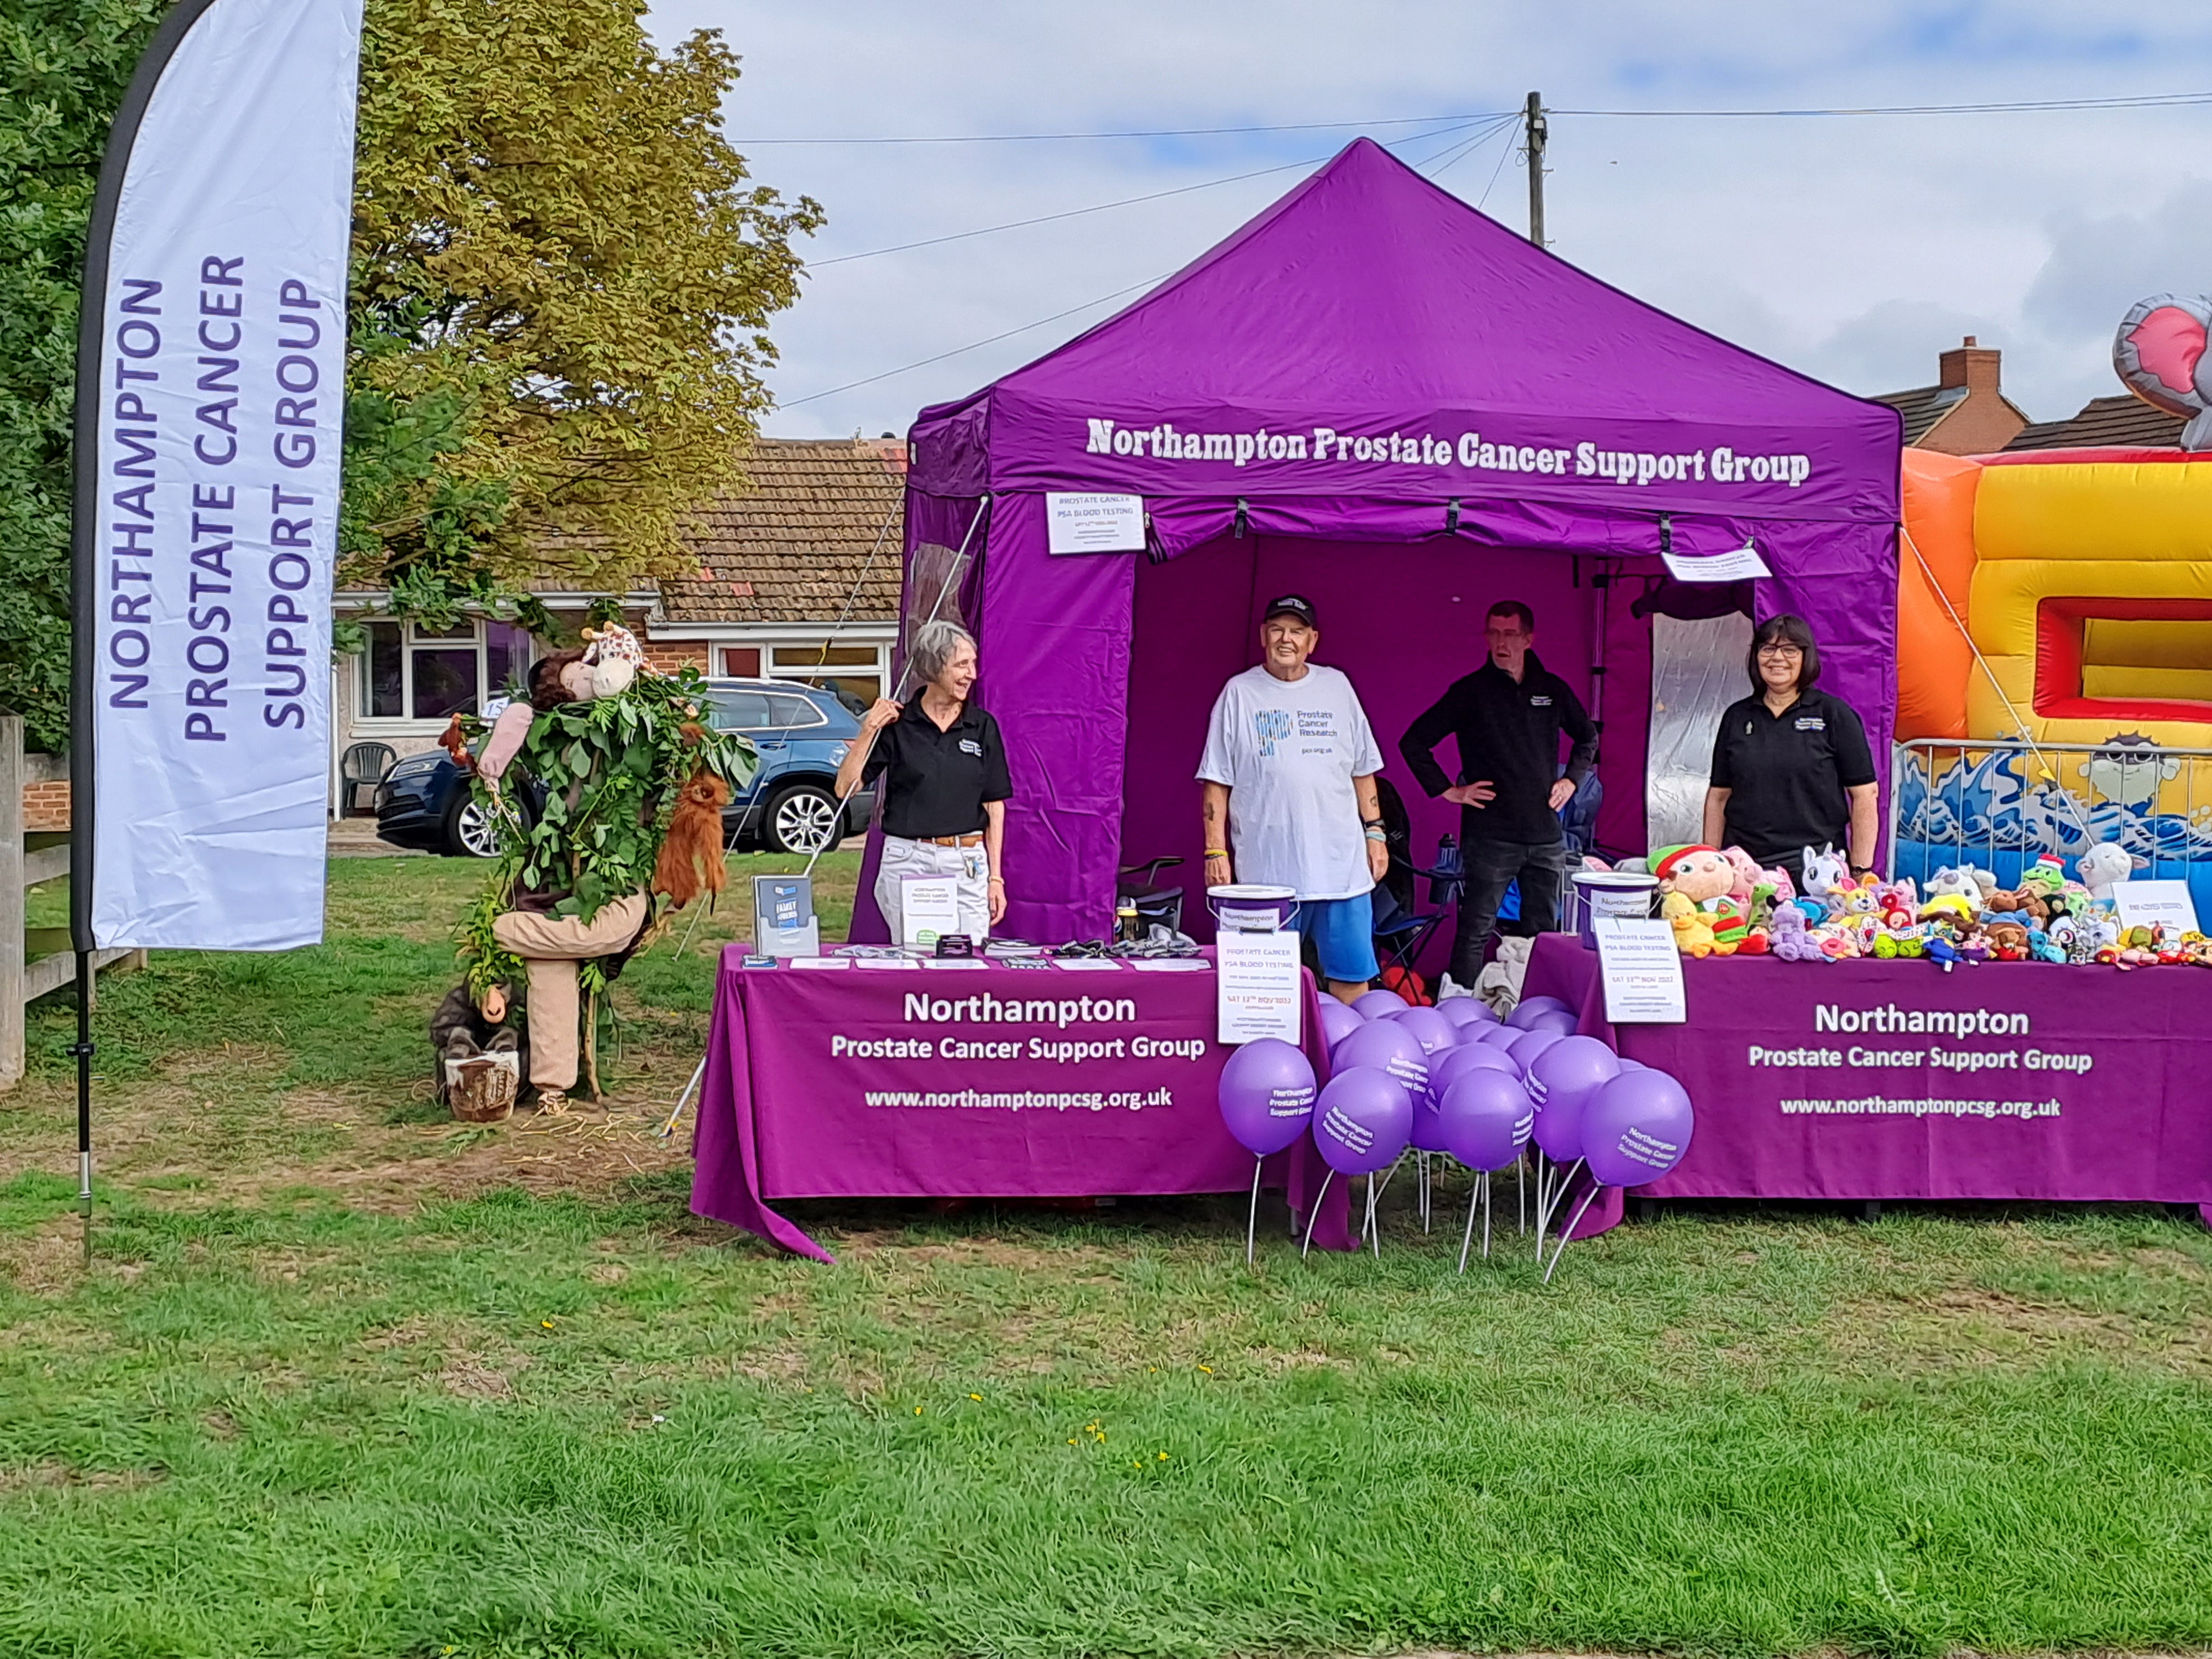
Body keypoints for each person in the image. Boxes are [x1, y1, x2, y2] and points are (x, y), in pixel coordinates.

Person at [1197, 594, 1389, 1003]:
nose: (1287, 639)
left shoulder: (1337, 687)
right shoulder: (1239, 693)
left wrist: (1376, 834)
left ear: (1313, 641)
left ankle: (1352, 1061)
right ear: (1264, 636)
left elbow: (1362, 770)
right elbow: (1216, 780)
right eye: (1278, 629)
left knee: (1352, 980)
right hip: (1267, 876)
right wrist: (1216, 852)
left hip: (1341, 869)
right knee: (1263, 987)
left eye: (1298, 631)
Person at [1399, 599, 1598, 988]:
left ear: (1528, 639)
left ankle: (1538, 1005)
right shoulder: (1470, 691)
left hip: (1545, 835)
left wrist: (1572, 779)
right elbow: (1414, 742)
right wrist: (1449, 791)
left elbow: (1587, 737)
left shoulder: (1551, 690)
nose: (1500, 643)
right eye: (1493, 633)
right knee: (1475, 928)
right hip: (1490, 836)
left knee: (1544, 932)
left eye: (1509, 634)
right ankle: (1461, 1009)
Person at [840, 620, 1010, 945]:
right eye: (962, 665)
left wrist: (996, 878)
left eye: (973, 664)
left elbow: (995, 806)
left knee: (969, 959)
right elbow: (845, 789)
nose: (971, 674)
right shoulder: (899, 725)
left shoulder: (982, 726)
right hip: (908, 859)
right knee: (915, 959)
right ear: (934, 667)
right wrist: (868, 731)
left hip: (967, 861)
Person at [1703, 612, 1879, 892]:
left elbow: (1865, 795)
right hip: (1745, 868)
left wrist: (1860, 870)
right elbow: (1718, 797)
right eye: (1768, 649)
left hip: (1816, 870)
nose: (1777, 658)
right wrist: (1710, 863)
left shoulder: (1834, 714)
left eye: (1789, 650)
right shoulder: (1737, 717)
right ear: (1756, 656)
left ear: (1805, 657)